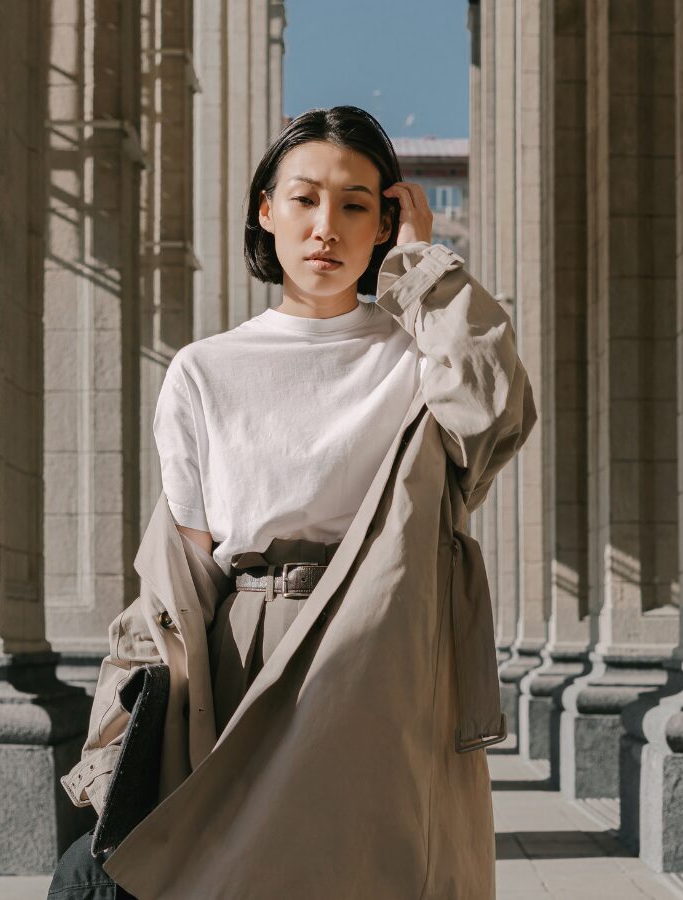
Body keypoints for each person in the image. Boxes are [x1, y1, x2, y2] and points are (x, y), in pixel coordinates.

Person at [51, 105, 536, 899]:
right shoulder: (205, 370)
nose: (326, 228)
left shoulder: (417, 359)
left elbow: (494, 410)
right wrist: (121, 741)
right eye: (305, 199)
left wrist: (423, 268)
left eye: (355, 205)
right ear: (265, 211)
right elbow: (181, 577)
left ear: (386, 221)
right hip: (250, 655)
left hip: (385, 661)